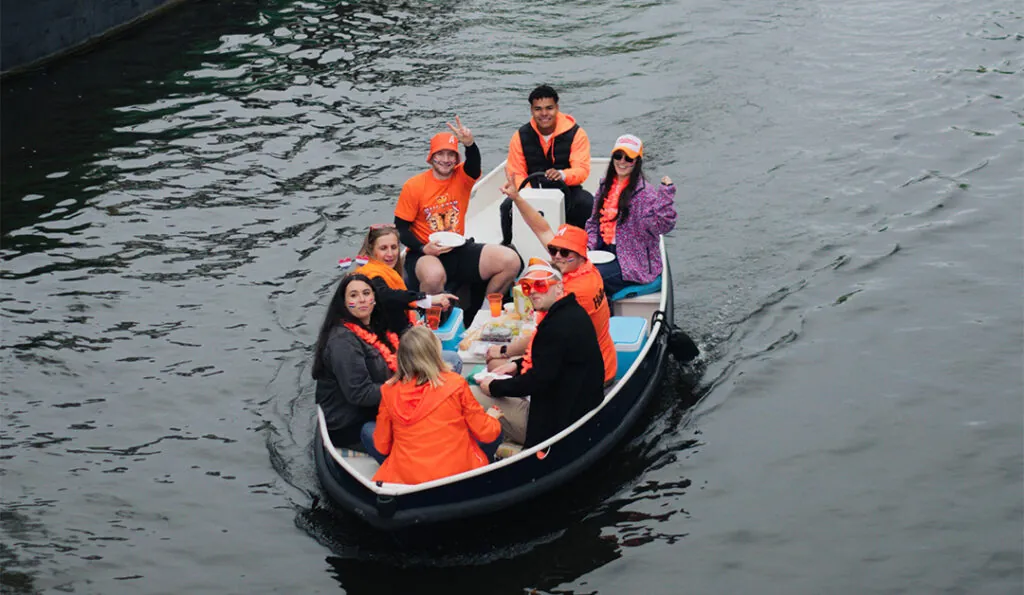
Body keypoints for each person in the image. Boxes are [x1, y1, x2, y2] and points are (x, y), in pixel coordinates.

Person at [487, 174, 617, 386]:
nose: (557, 256)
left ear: (580, 255)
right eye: (555, 250)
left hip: (590, 374)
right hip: (597, 357)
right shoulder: (587, 268)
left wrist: (503, 350)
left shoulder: (572, 292)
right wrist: (517, 199)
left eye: (565, 253)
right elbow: (543, 228)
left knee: (495, 363)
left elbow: (541, 338)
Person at [394, 116, 522, 323]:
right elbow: (401, 229)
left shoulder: (461, 177)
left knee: (510, 261)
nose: (446, 160)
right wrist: (424, 247)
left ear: (456, 159)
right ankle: (429, 324)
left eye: (451, 155)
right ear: (431, 157)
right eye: (440, 154)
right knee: (434, 276)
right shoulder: (414, 186)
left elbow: (474, 165)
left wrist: (469, 144)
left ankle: (484, 312)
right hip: (424, 254)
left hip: (458, 248)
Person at [478, 262, 604, 447]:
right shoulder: (572, 312)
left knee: (473, 394)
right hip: (578, 405)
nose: (533, 292)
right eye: (528, 286)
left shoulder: (555, 328)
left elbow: (537, 381)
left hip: (556, 424)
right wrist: (517, 365)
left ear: (559, 287)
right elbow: (552, 360)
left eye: (541, 285)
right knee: (499, 369)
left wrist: (494, 387)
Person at [370, 326, 503, 484]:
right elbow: (487, 433)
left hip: (406, 480)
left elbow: (381, 446)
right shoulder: (455, 383)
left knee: (367, 430)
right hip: (457, 473)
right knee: (495, 429)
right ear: (434, 353)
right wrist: (492, 417)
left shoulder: (388, 391)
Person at [312, 274, 398, 449]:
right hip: (353, 424)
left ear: (374, 297)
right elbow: (360, 393)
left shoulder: (375, 326)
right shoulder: (342, 342)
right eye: (353, 295)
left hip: (380, 407)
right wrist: (404, 389)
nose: (362, 300)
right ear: (343, 303)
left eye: (366, 293)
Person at [585, 134, 677, 296]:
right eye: (618, 156)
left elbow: (662, 226)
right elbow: (593, 224)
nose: (622, 162)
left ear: (637, 162)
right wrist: (588, 247)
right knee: (575, 272)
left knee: (593, 279)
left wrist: (666, 196)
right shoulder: (604, 187)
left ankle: (604, 319)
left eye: (629, 158)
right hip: (604, 251)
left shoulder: (645, 193)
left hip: (633, 260)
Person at [501, 85, 593, 246]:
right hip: (531, 191)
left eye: (549, 108)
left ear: (557, 108)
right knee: (506, 208)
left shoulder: (577, 134)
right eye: (538, 109)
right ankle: (510, 246)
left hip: (567, 190)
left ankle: (585, 246)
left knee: (587, 203)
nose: (544, 114)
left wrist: (563, 174)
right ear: (531, 110)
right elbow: (516, 171)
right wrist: (528, 196)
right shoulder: (519, 136)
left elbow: (581, 170)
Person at [354, 224, 457, 333]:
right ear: (371, 250)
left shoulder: (387, 272)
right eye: (383, 248)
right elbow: (384, 295)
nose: (390, 254)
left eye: (393, 247)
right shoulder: (370, 275)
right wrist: (426, 299)